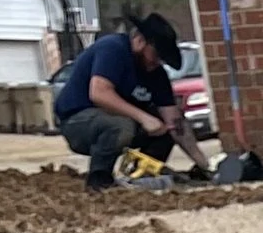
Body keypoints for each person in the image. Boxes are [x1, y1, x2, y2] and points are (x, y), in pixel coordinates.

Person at [52, 12, 208, 188]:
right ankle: (99, 181)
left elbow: (175, 121)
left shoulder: (157, 74)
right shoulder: (113, 49)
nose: (157, 62)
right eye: (156, 55)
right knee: (121, 125)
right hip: (78, 122)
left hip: (121, 121)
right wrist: (144, 118)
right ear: (140, 41)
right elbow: (99, 93)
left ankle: (142, 175)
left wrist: (202, 162)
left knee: (165, 128)